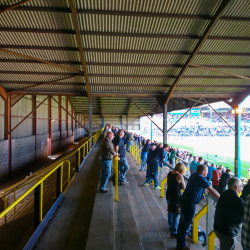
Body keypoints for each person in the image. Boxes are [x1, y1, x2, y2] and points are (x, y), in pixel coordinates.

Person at [177, 164, 220, 250]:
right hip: (190, 203)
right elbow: (212, 190)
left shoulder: (194, 175)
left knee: (182, 222)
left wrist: (204, 189)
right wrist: (221, 199)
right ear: (203, 172)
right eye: (207, 171)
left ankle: (179, 242)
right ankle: (182, 245)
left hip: (184, 200)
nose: (208, 172)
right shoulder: (201, 179)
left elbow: (197, 186)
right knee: (186, 224)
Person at [214, 177, 244, 250]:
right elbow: (245, 215)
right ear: (236, 187)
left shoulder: (223, 194)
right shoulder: (238, 200)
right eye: (241, 186)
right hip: (227, 232)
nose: (242, 188)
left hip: (217, 228)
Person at [166, 163, 186, 238]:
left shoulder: (169, 173)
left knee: (170, 211)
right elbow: (184, 188)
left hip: (168, 195)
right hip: (176, 197)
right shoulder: (179, 176)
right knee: (176, 214)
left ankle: (170, 226)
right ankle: (174, 232)